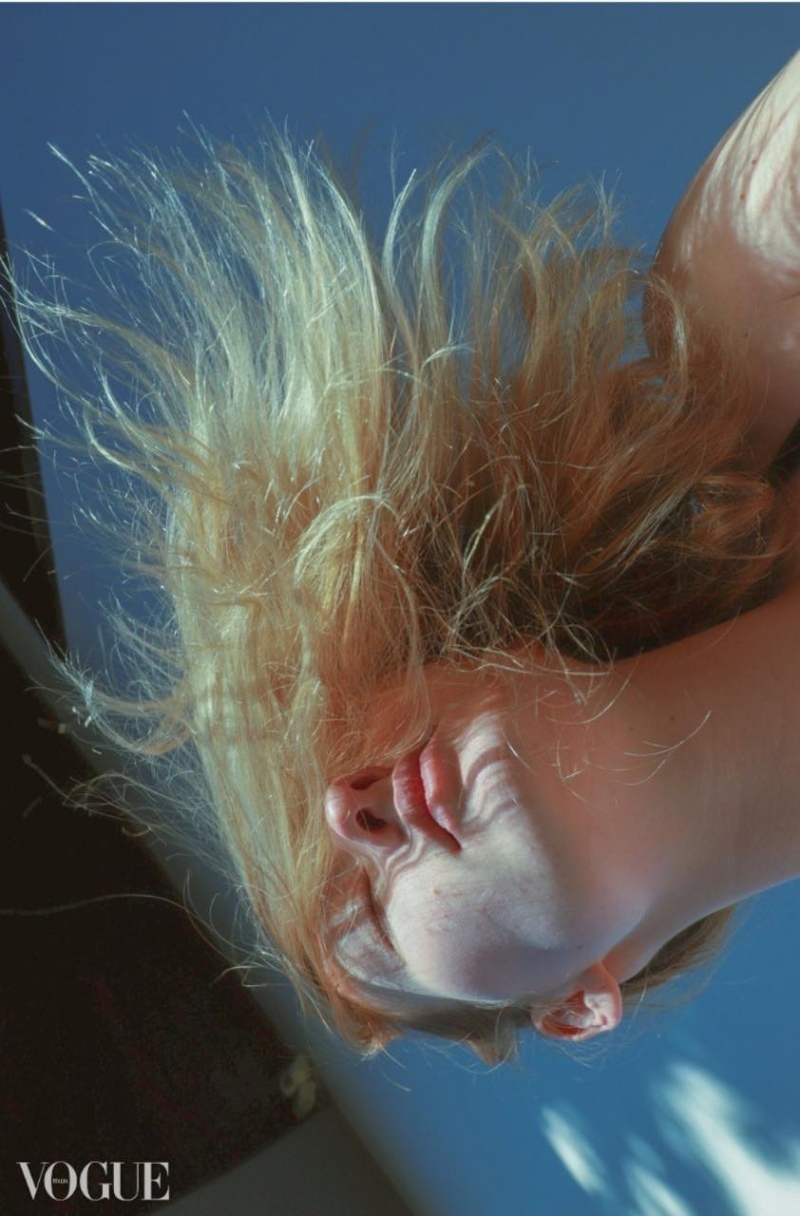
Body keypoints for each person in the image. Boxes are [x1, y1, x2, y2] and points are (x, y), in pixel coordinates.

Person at [10, 50, 800, 1065]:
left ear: (476, 652)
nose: (348, 806)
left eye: (339, 769)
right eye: (375, 923)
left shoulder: (737, 309)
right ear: (574, 1004)